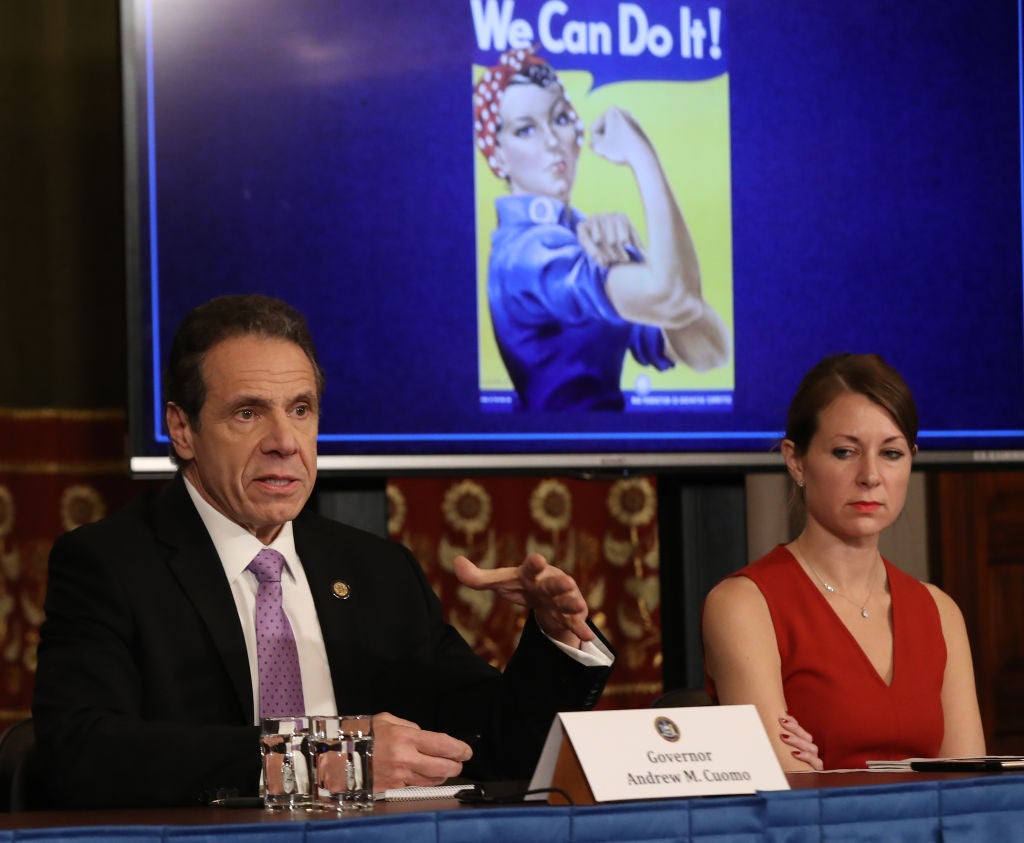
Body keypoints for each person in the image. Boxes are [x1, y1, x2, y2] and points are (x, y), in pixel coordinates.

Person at [30, 294, 614, 809]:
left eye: (301, 410)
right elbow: (82, 753)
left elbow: (491, 746)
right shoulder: (110, 564)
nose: (284, 443)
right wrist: (321, 760)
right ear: (182, 430)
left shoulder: (376, 570)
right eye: (248, 412)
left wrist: (554, 641)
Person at [702, 353, 985, 771]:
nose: (870, 475)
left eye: (891, 454)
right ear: (796, 460)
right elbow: (787, 789)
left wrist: (826, 772)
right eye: (844, 451)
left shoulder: (940, 612)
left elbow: (970, 791)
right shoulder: (744, 604)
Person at [474, 48, 730, 411]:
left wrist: (634, 260)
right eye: (526, 129)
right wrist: (641, 154)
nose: (551, 141)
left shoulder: (577, 233)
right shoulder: (526, 254)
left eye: (560, 118)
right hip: (550, 456)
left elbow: (711, 352)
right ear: (497, 155)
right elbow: (677, 297)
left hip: (632, 447)